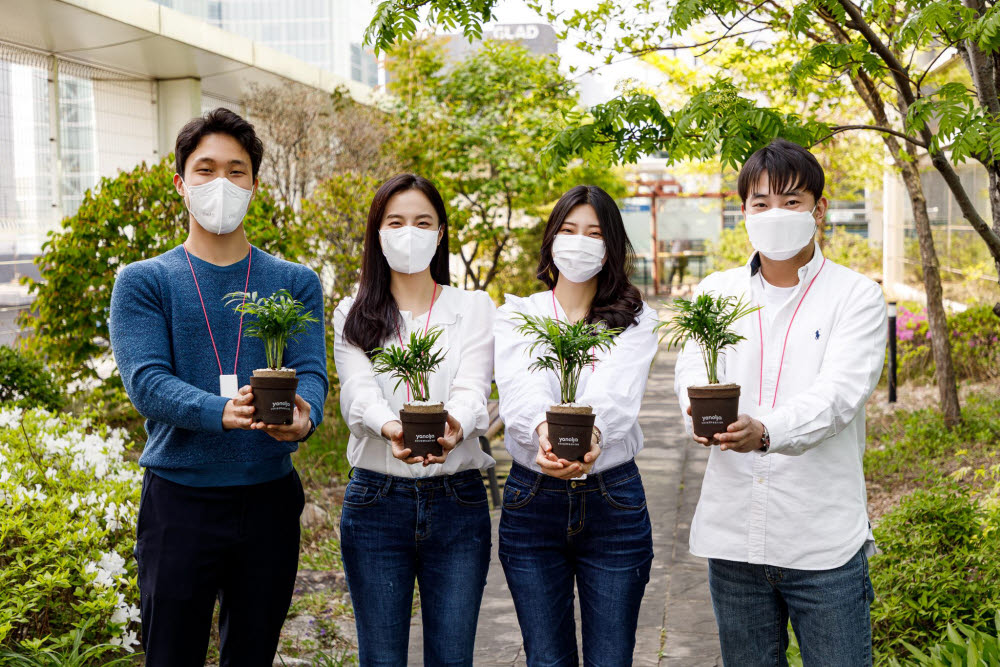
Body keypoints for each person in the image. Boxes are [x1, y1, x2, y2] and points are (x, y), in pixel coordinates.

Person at [109, 108, 327, 666]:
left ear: (254, 184)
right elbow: (146, 382)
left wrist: (306, 418)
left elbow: (312, 373)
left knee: (253, 654)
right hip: (179, 502)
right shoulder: (145, 281)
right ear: (181, 183)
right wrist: (219, 410)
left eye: (236, 171)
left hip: (269, 498)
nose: (221, 184)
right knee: (171, 653)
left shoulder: (295, 281)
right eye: (205, 170)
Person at [675, 138, 887, 666]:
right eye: (761, 202)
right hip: (733, 541)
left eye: (791, 201)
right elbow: (690, 376)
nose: (775, 213)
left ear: (819, 208)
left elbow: (840, 395)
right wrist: (694, 418)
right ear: (742, 211)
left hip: (822, 544)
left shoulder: (854, 295)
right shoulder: (716, 293)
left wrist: (764, 431)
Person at [333, 173, 495, 665]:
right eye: (396, 221)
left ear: (441, 232)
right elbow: (356, 392)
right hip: (377, 501)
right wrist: (390, 427)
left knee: (452, 656)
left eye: (423, 222)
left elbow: (473, 386)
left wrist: (455, 426)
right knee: (381, 657)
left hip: (459, 500)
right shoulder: (353, 311)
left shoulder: (472, 307)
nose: (409, 232)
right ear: (377, 233)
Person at [494, 185, 658, 665]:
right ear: (551, 241)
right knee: (546, 659)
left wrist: (591, 440)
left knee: (611, 657)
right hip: (532, 500)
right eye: (568, 230)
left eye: (594, 232)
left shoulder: (634, 319)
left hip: (613, 501)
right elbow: (520, 388)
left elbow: (618, 394)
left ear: (611, 247)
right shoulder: (517, 315)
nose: (580, 241)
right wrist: (544, 436)